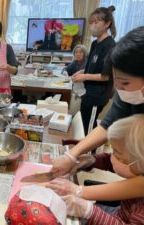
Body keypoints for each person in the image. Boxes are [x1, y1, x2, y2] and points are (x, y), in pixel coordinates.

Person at [51, 26, 144, 199]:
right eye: (116, 81)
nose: (118, 89)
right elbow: (106, 125)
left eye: (124, 83)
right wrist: (72, 155)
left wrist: (80, 192)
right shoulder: (129, 94)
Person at [46, 115, 144, 224]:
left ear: (137, 164)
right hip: (119, 212)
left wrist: (89, 211)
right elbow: (117, 164)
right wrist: (92, 160)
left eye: (117, 153)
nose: (111, 156)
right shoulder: (138, 168)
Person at [72, 6, 116, 134]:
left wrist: (84, 77)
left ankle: (90, 152)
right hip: (87, 92)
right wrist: (82, 72)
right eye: (91, 22)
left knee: (89, 128)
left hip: (98, 95)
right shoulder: (94, 43)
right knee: (83, 122)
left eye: (96, 22)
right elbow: (92, 66)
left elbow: (106, 76)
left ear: (107, 24)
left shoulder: (110, 45)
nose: (92, 26)